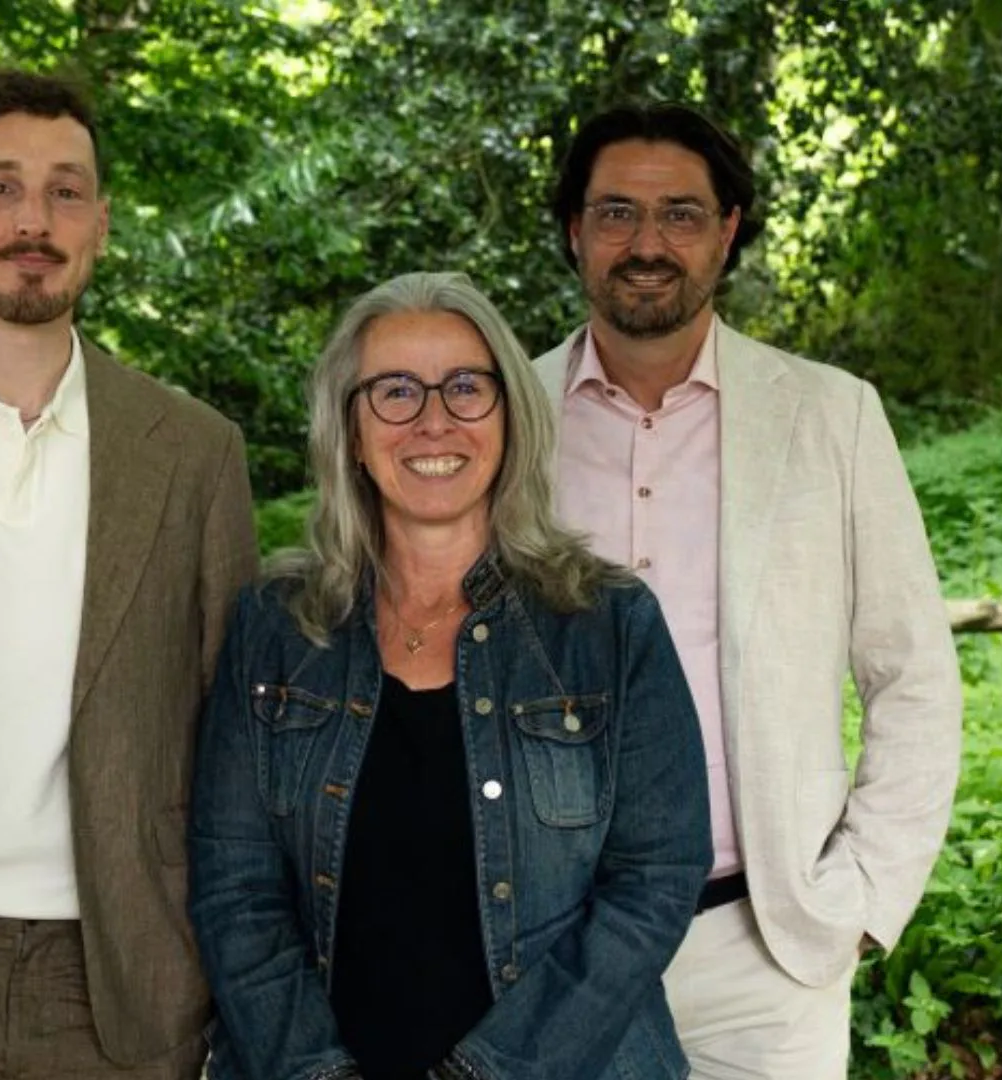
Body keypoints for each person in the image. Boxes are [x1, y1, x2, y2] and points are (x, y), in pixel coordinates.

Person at [190, 270, 712, 1080]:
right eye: (395, 391)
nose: (434, 421)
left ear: (509, 416)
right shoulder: (277, 628)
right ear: (351, 428)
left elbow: (654, 882)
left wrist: (489, 1074)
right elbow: (236, 893)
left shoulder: (608, 624)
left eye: (466, 387)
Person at [534, 102, 964, 1079]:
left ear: (728, 232)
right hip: (551, 946)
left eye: (681, 214)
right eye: (615, 213)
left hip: (764, 950)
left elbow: (914, 677)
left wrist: (858, 899)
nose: (648, 244)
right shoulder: (505, 420)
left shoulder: (831, 416)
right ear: (574, 231)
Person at [0, 69, 258, 1080]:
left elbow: (236, 741)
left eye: (65, 191)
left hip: (127, 975)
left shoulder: (195, 453)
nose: (35, 219)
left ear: (103, 223)